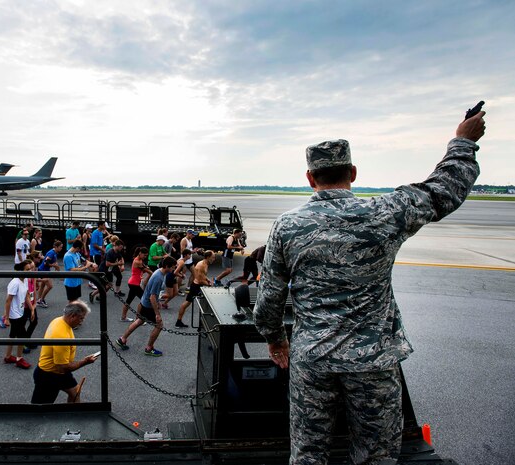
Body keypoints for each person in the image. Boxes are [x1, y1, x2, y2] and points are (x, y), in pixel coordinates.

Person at [253, 111, 486, 465]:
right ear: (353, 173)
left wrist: (275, 339)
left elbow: (270, 298)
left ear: (309, 178)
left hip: (312, 359)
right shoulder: (384, 213)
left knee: (309, 455)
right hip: (372, 361)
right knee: (375, 454)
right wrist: (463, 142)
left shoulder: (288, 226)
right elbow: (443, 190)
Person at [31, 300, 98, 404]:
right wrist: (85, 361)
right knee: (40, 411)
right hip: (50, 375)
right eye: (81, 318)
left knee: (75, 392)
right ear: (72, 316)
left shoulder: (59, 320)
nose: (82, 321)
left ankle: (72, 417)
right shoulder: (61, 335)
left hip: (58, 370)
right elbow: (63, 367)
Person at [116, 256, 177, 357]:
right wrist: (157, 313)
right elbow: (152, 297)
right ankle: (149, 348)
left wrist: (157, 301)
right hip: (148, 305)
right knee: (159, 326)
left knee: (140, 321)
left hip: (145, 302)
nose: (174, 269)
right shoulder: (159, 277)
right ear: (167, 266)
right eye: (173, 267)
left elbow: (151, 292)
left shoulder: (159, 272)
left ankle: (122, 339)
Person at [2, 261, 35, 369]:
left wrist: (31, 309)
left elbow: (26, 296)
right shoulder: (15, 282)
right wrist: (6, 318)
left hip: (20, 312)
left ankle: (7, 357)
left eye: (30, 269)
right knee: (22, 337)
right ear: (21, 271)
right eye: (27, 269)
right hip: (14, 315)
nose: (30, 271)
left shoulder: (24, 279)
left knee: (12, 335)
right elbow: (8, 301)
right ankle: (19, 359)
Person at [175, 250, 215, 327]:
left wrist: (208, 280)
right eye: (213, 257)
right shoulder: (201, 265)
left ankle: (205, 322)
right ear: (208, 257)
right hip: (196, 286)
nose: (214, 259)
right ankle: (178, 321)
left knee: (206, 302)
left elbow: (202, 276)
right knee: (187, 303)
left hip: (200, 285)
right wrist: (209, 284)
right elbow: (199, 280)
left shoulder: (206, 263)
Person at [120, 247, 152, 322]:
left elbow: (144, 269)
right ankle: (138, 318)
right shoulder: (138, 261)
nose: (145, 257)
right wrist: (153, 274)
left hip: (133, 282)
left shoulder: (139, 260)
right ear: (140, 253)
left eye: (146, 255)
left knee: (129, 300)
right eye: (144, 255)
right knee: (144, 300)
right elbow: (146, 270)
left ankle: (123, 317)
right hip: (134, 284)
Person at [37, 240, 63, 307]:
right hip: (43, 270)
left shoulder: (55, 252)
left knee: (42, 285)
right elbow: (46, 263)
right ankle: (41, 300)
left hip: (45, 270)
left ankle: (39, 299)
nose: (61, 248)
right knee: (50, 286)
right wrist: (53, 265)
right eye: (60, 247)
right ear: (56, 247)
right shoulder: (51, 253)